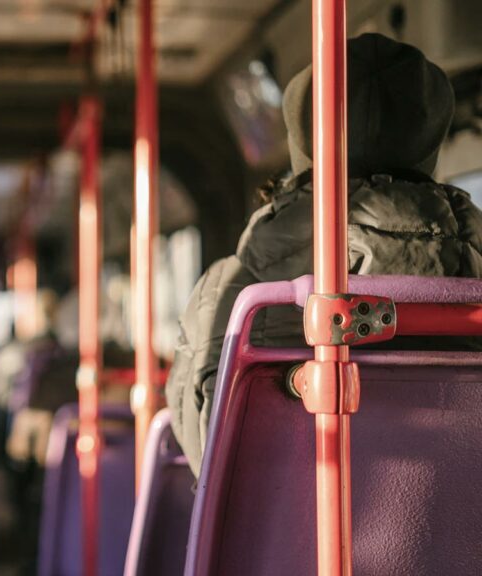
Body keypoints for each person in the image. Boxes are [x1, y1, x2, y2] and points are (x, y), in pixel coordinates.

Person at [165, 33, 482, 478]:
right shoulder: (475, 278)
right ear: (429, 142)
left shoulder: (233, 292)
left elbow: (207, 453)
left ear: (303, 142)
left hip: (283, 547)